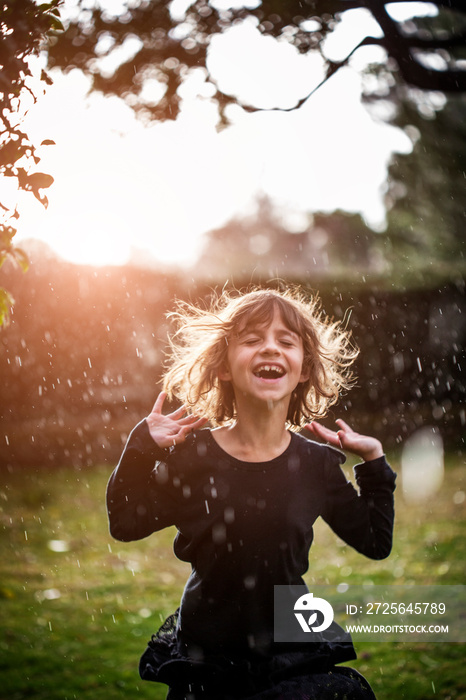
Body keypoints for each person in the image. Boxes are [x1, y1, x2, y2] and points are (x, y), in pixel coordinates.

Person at [106, 286, 396, 700]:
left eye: (285, 341)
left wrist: (374, 463)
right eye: (252, 339)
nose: (270, 349)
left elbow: (374, 541)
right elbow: (125, 522)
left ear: (304, 369)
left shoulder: (316, 465)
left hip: (290, 652)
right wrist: (140, 448)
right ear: (224, 367)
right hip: (206, 660)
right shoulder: (194, 458)